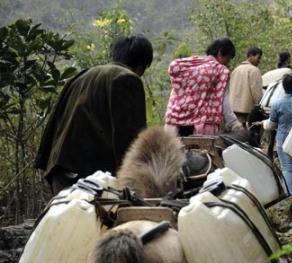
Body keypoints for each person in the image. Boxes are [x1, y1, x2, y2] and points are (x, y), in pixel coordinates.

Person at [34, 35, 153, 194]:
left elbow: (55, 121)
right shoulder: (127, 78)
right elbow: (130, 138)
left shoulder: (80, 76)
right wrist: (136, 181)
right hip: (92, 180)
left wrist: (44, 162)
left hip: (60, 173)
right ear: (142, 64)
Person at [164, 37, 242, 136]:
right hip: (202, 127)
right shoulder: (221, 71)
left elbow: (175, 94)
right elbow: (224, 101)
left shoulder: (189, 66)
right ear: (220, 53)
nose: (228, 62)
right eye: (228, 58)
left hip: (175, 123)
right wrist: (234, 123)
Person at [262, 73, 292, 195]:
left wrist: (264, 123)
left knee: (287, 169)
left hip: (283, 140)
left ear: (284, 87)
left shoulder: (276, 103)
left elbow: (272, 125)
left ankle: (291, 197)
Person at [229, 47, 263, 127]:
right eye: (258, 58)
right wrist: (259, 107)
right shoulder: (254, 70)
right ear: (251, 55)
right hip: (247, 111)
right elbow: (256, 92)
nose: (259, 61)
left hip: (233, 108)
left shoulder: (236, 69)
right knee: (245, 134)